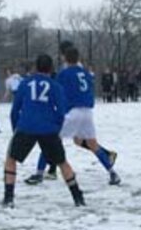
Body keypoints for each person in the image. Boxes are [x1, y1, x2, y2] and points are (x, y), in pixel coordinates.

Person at [25, 44, 120, 186]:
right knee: (92, 144)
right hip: (87, 112)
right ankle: (113, 173)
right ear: (78, 58)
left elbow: (55, 90)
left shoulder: (65, 73)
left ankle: (39, 174)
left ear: (65, 58)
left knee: (50, 140)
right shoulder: (85, 73)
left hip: (73, 112)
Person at [3, 53, 85, 208]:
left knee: (11, 159)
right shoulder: (55, 86)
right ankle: (77, 196)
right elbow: (61, 112)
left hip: (26, 126)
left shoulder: (25, 83)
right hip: (48, 128)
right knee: (62, 162)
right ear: (51, 68)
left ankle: (9, 197)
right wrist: (57, 128)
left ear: (35, 67)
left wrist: (16, 129)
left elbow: (15, 110)